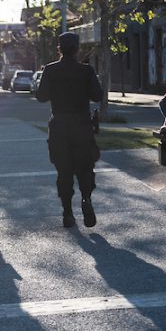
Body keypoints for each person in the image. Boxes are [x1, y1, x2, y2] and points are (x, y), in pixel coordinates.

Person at [35, 31, 104, 228]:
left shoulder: (50, 70)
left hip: (59, 126)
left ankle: (67, 212)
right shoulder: (86, 71)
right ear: (77, 49)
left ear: (59, 48)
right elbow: (97, 96)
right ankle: (86, 199)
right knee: (85, 167)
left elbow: (41, 96)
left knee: (63, 171)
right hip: (82, 126)